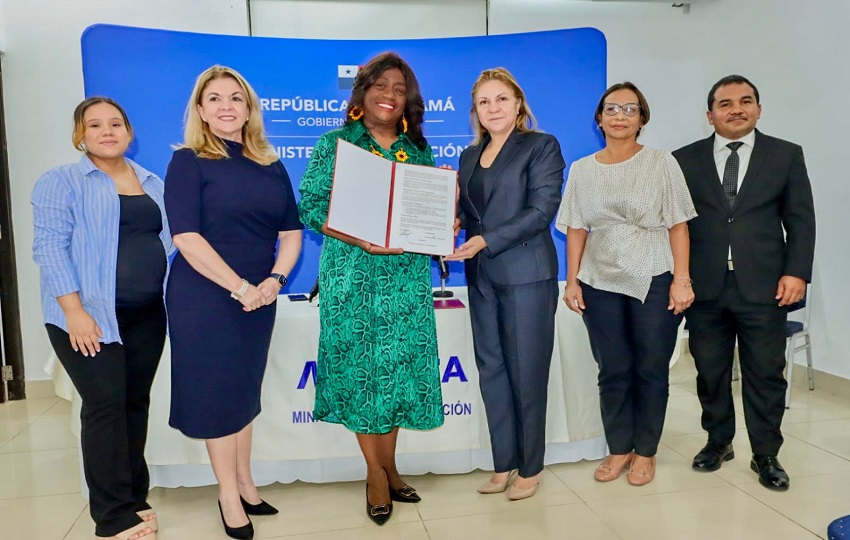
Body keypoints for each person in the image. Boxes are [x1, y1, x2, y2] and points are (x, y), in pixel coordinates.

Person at [298, 52, 444, 526]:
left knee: (397, 375)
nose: (390, 95)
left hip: (404, 282)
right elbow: (311, 208)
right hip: (353, 279)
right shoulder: (336, 143)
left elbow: (425, 213)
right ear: (363, 93)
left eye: (400, 90)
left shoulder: (418, 151)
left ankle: (391, 464)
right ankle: (375, 474)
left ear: (409, 102)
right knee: (362, 375)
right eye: (381, 86)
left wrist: (444, 224)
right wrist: (357, 237)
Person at [164, 66, 303, 540]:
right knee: (218, 397)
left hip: (260, 296)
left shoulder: (270, 163)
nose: (226, 106)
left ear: (249, 108)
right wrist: (241, 287)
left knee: (243, 392)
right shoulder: (188, 161)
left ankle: (245, 482)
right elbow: (186, 237)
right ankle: (227, 494)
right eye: (215, 98)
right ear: (200, 110)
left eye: (236, 98)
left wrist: (274, 280)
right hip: (205, 295)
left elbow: (291, 232)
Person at [32, 97, 170, 540]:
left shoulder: (153, 182)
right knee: (106, 407)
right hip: (87, 317)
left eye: (115, 123)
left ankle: (133, 498)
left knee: (134, 403)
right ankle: (111, 518)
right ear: (80, 135)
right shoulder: (62, 182)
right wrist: (75, 311)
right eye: (95, 125)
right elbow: (49, 248)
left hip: (147, 314)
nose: (107, 131)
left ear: (129, 133)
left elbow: (169, 243)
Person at [673, 75, 815, 491]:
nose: (736, 109)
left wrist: (797, 272)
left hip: (766, 285)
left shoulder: (786, 155)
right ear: (710, 114)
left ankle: (766, 453)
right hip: (705, 286)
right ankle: (719, 441)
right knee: (710, 371)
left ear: (758, 108)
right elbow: (676, 224)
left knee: (766, 373)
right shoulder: (685, 159)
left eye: (745, 101)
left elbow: (801, 219)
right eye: (725, 103)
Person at [557, 82, 696, 486]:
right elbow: (577, 229)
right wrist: (572, 281)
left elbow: (678, 224)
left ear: (642, 119)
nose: (620, 115)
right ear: (599, 118)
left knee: (651, 369)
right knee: (613, 369)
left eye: (630, 109)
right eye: (612, 108)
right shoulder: (582, 169)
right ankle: (620, 448)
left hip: (654, 276)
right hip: (598, 280)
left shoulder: (661, 162)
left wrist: (681, 280)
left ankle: (646, 451)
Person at [444, 67, 564, 500]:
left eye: (501, 99)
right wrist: (449, 225)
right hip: (482, 276)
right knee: (491, 370)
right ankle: (504, 463)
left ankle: (530, 467)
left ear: (518, 105)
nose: (493, 108)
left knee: (526, 373)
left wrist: (485, 240)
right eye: (484, 102)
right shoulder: (468, 155)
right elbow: (470, 214)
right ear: (475, 111)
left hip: (527, 275)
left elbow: (541, 210)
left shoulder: (541, 146)